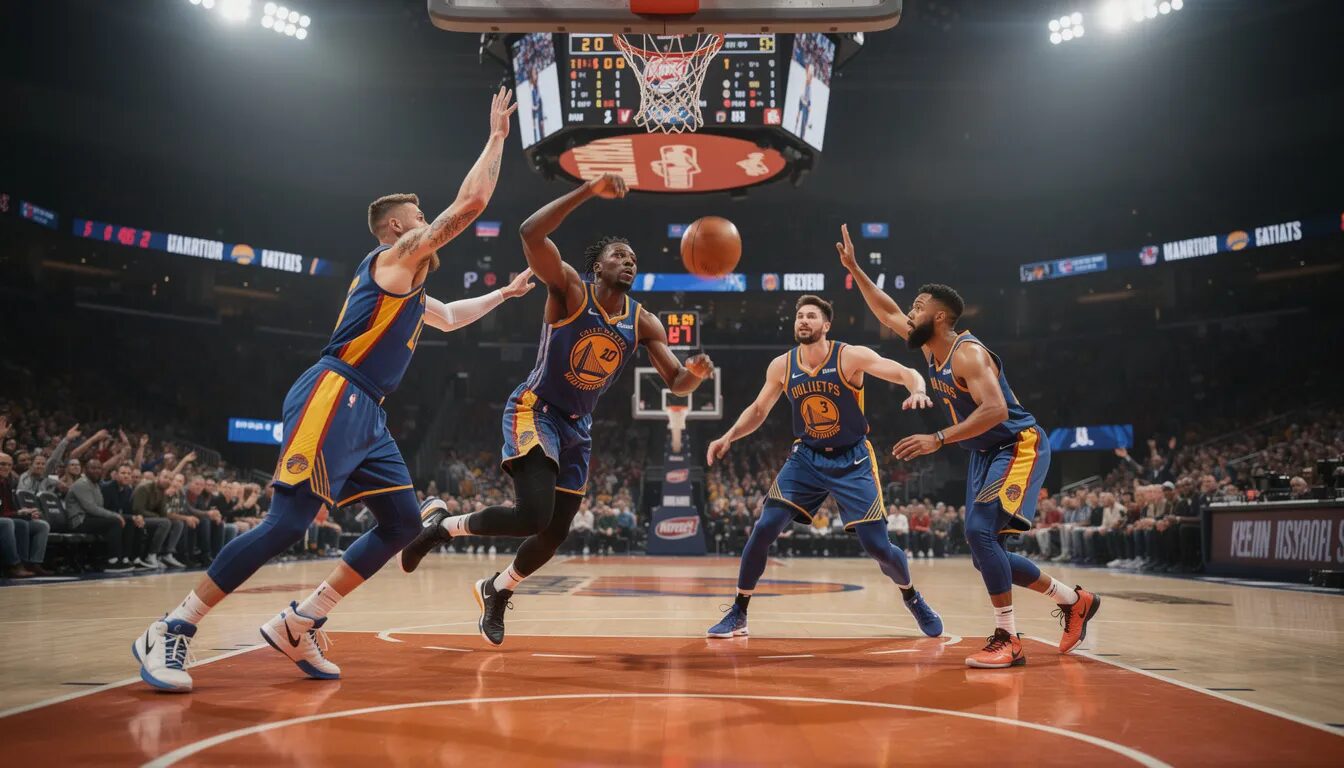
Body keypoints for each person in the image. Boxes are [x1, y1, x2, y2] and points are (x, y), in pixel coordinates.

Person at [133, 88, 524, 693]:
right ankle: (173, 627)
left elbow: (450, 318)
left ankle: (301, 621)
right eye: (420, 217)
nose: (428, 224)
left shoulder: (410, 292)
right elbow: (470, 204)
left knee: (401, 524)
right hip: (335, 391)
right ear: (397, 228)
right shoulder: (391, 260)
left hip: (368, 411)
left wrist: (505, 293)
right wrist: (496, 138)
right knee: (288, 522)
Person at [402, 172, 715, 647]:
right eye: (619, 255)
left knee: (553, 534)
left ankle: (497, 589)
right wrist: (589, 190)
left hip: (578, 428)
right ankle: (442, 527)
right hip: (536, 410)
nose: (628, 262)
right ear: (598, 266)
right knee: (533, 515)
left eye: (633, 259)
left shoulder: (643, 321)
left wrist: (696, 373)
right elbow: (530, 233)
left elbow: (676, 383)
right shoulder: (569, 288)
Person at [841, 225, 1099, 669]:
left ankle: (1008, 638)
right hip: (984, 452)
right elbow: (886, 311)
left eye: (918, 307)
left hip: (1017, 444)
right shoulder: (930, 349)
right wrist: (855, 268)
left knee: (980, 533)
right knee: (985, 554)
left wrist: (938, 438)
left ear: (940, 317)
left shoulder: (967, 353)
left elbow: (995, 409)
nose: (909, 313)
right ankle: (1075, 601)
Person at [701, 293, 943, 639]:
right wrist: (729, 436)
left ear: (826, 325)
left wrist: (917, 389)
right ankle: (739, 611)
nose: (803, 320)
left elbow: (906, 372)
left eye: (811, 316)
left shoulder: (849, 356)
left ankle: (912, 596)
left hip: (853, 458)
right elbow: (758, 410)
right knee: (764, 527)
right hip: (807, 457)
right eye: (800, 315)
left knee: (877, 547)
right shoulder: (782, 365)